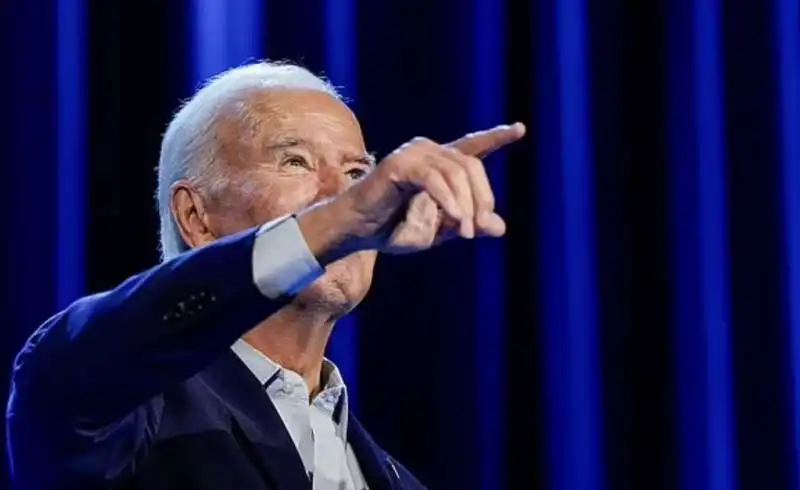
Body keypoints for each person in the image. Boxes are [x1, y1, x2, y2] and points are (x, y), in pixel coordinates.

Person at [6, 61, 525, 490]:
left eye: (356, 175)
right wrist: (336, 221)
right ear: (196, 217)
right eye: (295, 162)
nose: (342, 197)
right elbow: (75, 364)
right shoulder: (123, 406)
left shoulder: (394, 479)